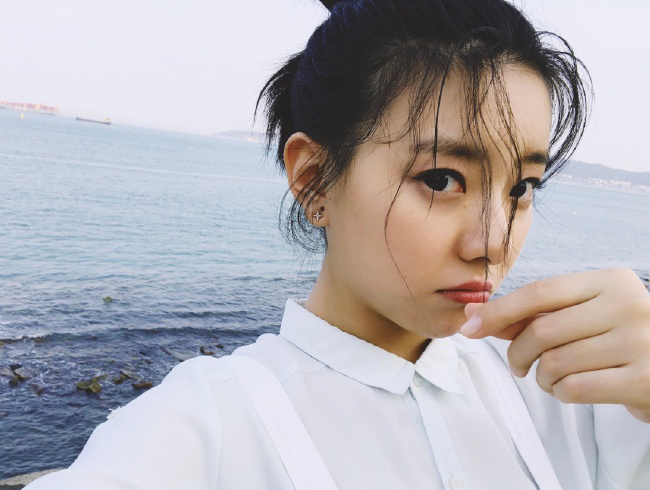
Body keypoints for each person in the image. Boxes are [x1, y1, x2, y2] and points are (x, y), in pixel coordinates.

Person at [26, 0, 650, 489]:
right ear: (314, 179)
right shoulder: (203, 425)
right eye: (441, 180)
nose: (493, 242)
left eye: (522, 188)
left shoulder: (574, 394)